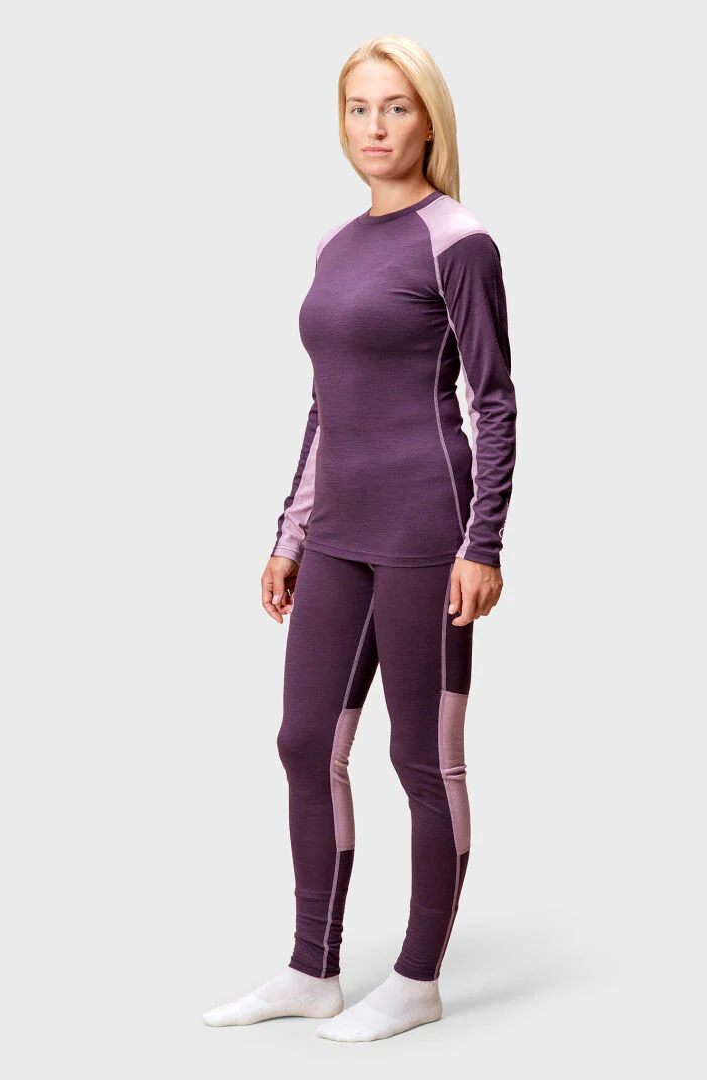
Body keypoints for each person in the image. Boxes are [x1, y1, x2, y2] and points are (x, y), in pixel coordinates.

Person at [203, 34, 518, 1042]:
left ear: (429, 120)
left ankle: (418, 980)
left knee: (423, 758)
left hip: (429, 527)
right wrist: (289, 535)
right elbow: (325, 405)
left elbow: (495, 401)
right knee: (304, 742)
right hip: (338, 532)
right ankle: (313, 969)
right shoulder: (337, 246)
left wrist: (484, 543)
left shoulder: (458, 239)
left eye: (395, 107)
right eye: (358, 108)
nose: (375, 127)